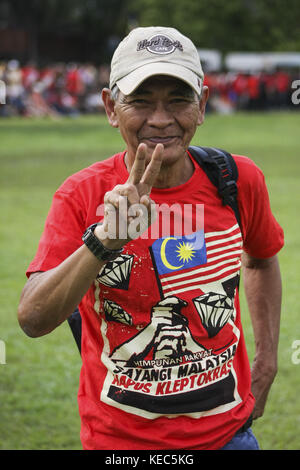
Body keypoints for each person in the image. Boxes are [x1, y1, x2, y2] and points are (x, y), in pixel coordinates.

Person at [18, 26, 284, 451]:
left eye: (178, 100)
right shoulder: (81, 194)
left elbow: (262, 259)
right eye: (140, 102)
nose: (161, 120)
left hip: (229, 436)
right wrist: (104, 240)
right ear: (110, 107)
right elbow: (33, 319)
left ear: (202, 106)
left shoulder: (237, 179)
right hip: (121, 444)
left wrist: (267, 361)